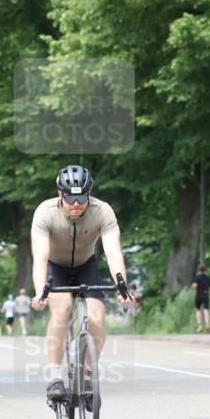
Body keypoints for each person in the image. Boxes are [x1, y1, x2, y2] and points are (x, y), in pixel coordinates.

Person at [31, 165, 135, 402]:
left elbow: (113, 252)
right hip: (55, 267)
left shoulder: (103, 211)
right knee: (61, 310)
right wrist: (40, 293)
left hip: (86, 266)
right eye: (70, 197)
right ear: (60, 194)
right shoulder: (44, 212)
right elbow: (40, 258)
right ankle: (55, 376)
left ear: (89, 194)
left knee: (97, 319)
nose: (76, 203)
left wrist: (123, 289)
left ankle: (88, 372)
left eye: (81, 197)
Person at [190, 264, 210, 333]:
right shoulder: (208, 278)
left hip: (199, 295)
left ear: (198, 270)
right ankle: (207, 325)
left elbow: (194, 286)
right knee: (206, 310)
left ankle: (199, 326)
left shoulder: (196, 278)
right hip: (205, 295)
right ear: (205, 270)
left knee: (198, 310)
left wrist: (194, 286)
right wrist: (207, 290)